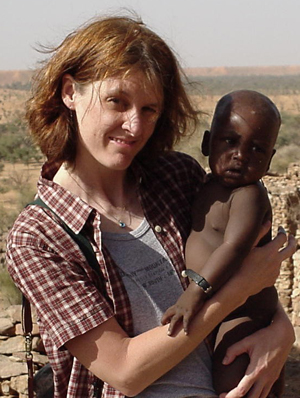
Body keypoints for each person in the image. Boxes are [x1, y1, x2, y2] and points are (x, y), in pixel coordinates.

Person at [6, 15, 296, 398]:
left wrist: (281, 332)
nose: (134, 126)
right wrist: (238, 290)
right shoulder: (39, 239)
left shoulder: (177, 179)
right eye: (117, 102)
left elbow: (255, 278)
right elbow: (125, 371)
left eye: (149, 109)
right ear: (69, 92)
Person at [161, 90, 284, 395]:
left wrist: (194, 291)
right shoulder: (204, 184)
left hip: (244, 311)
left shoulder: (248, 196)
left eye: (256, 149)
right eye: (230, 142)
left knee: (235, 380)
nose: (240, 155)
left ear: (269, 159)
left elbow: (234, 247)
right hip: (219, 306)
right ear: (207, 143)